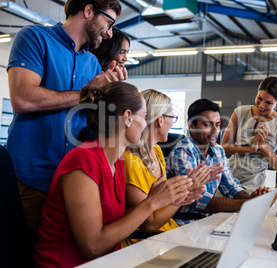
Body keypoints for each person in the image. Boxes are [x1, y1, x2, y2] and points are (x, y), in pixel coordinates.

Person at [35, 82, 194, 267]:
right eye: (143, 117)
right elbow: (92, 246)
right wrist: (151, 203)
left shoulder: (117, 163)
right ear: (128, 118)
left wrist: (161, 199)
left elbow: (115, 220)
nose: (145, 124)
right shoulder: (82, 161)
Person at [6, 0, 124, 244]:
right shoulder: (34, 38)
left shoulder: (91, 62)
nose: (110, 32)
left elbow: (88, 126)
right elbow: (22, 99)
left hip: (71, 183)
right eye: (109, 23)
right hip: (30, 179)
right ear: (89, 11)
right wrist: (86, 91)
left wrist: (110, 93)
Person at [122, 89, 222, 245]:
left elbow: (164, 204)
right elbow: (150, 223)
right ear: (160, 120)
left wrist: (182, 193)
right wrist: (184, 192)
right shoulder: (130, 161)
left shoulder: (157, 151)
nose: (173, 123)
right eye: (172, 117)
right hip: (146, 242)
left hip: (167, 234)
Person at [166, 98, 277, 225]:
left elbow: (231, 188)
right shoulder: (183, 152)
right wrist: (248, 204)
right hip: (181, 223)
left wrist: (253, 200)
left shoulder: (218, 151)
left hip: (205, 222)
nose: (215, 130)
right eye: (207, 125)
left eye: (217, 124)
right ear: (192, 126)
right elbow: (199, 200)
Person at [221, 77, 277, 193]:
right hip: (228, 179)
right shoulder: (240, 112)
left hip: (252, 186)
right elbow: (223, 147)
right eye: (259, 98)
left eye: (269, 103)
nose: (261, 106)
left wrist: (263, 146)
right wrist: (250, 148)